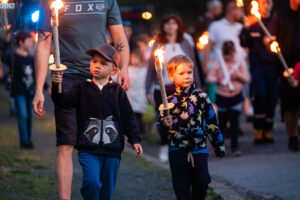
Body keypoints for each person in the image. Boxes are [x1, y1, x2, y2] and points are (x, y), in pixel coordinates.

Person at [34, 0, 130, 199]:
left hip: (99, 78)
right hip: (65, 78)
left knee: (101, 142)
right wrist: (39, 89)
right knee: (65, 143)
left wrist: (124, 69)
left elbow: (119, 36)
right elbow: (44, 43)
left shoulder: (107, 1)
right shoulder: (51, 2)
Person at [51, 44, 143, 200]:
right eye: (94, 61)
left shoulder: (117, 92)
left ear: (114, 70)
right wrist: (56, 85)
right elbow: (62, 101)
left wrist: (135, 139)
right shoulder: (81, 87)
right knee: (92, 183)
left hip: (113, 151)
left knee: (107, 191)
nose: (97, 66)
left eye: (103, 63)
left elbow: (128, 116)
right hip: (88, 149)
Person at [157, 55, 225, 200]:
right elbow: (161, 126)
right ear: (171, 76)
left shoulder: (202, 97)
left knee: (202, 181)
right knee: (181, 186)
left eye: (189, 72)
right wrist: (165, 123)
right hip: (177, 150)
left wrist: (219, 146)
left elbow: (212, 123)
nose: (186, 76)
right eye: (181, 73)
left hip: (199, 148)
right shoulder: (168, 102)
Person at [145, 14, 201, 161]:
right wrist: (147, 90)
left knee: (185, 117)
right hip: (163, 87)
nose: (171, 26)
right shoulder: (157, 45)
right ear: (163, 27)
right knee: (165, 118)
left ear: (178, 26)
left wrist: (198, 86)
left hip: (183, 88)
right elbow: (151, 69)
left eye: (173, 23)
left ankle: (183, 146)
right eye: (167, 23)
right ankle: (165, 146)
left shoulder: (186, 42)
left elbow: (194, 67)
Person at [205, 0, 252, 119]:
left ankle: (237, 120)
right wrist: (206, 64)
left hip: (239, 66)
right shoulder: (216, 26)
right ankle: (223, 122)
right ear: (231, 10)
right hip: (221, 66)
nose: (241, 13)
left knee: (240, 93)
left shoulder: (241, 27)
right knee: (221, 96)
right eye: (239, 10)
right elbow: (208, 47)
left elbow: (246, 47)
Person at [240, 0, 278, 144]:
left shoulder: (276, 21)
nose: (266, 5)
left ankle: (268, 130)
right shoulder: (253, 22)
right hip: (257, 65)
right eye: (263, 2)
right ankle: (258, 131)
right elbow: (243, 42)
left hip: (273, 65)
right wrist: (245, 29)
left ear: (272, 4)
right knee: (260, 95)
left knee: (273, 97)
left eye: (268, 2)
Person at [267, 0, 300, 152]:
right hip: (286, 67)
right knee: (290, 104)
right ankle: (292, 136)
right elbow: (269, 39)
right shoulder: (280, 16)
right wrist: (270, 43)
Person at [207, 41, 250, 156]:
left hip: (236, 95)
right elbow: (210, 77)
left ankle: (235, 146)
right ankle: (220, 146)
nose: (228, 57)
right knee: (222, 122)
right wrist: (218, 79)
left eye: (230, 55)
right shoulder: (218, 64)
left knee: (235, 121)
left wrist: (238, 76)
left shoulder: (238, 63)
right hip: (222, 96)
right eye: (226, 55)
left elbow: (246, 78)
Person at [6, 31, 35, 149]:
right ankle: (24, 141)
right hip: (19, 92)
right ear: (21, 42)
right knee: (22, 115)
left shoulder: (31, 58)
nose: (31, 43)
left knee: (30, 117)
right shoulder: (12, 57)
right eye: (28, 41)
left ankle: (28, 139)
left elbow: (36, 75)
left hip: (30, 91)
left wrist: (46, 88)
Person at [126, 49, 148, 134]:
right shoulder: (129, 69)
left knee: (139, 117)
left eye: (136, 58)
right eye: (132, 58)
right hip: (131, 97)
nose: (134, 60)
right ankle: (135, 134)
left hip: (141, 97)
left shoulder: (144, 71)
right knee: (133, 117)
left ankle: (140, 132)